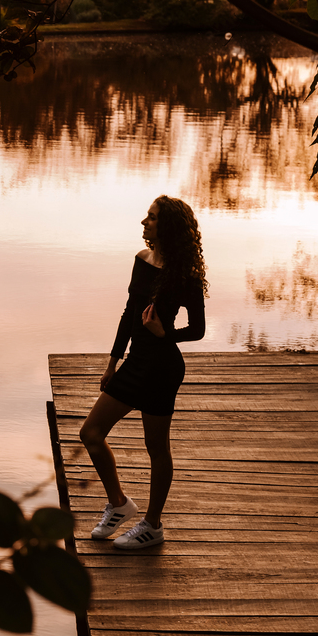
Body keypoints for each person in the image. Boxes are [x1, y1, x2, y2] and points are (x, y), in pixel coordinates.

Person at [80, 195, 208, 549]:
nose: (143, 222)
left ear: (165, 226)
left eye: (150, 218)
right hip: (136, 362)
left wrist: (164, 334)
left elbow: (197, 329)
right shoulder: (142, 260)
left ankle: (152, 525)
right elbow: (128, 314)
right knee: (90, 432)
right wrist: (113, 361)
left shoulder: (185, 274)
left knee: (157, 448)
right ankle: (119, 504)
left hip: (163, 367)